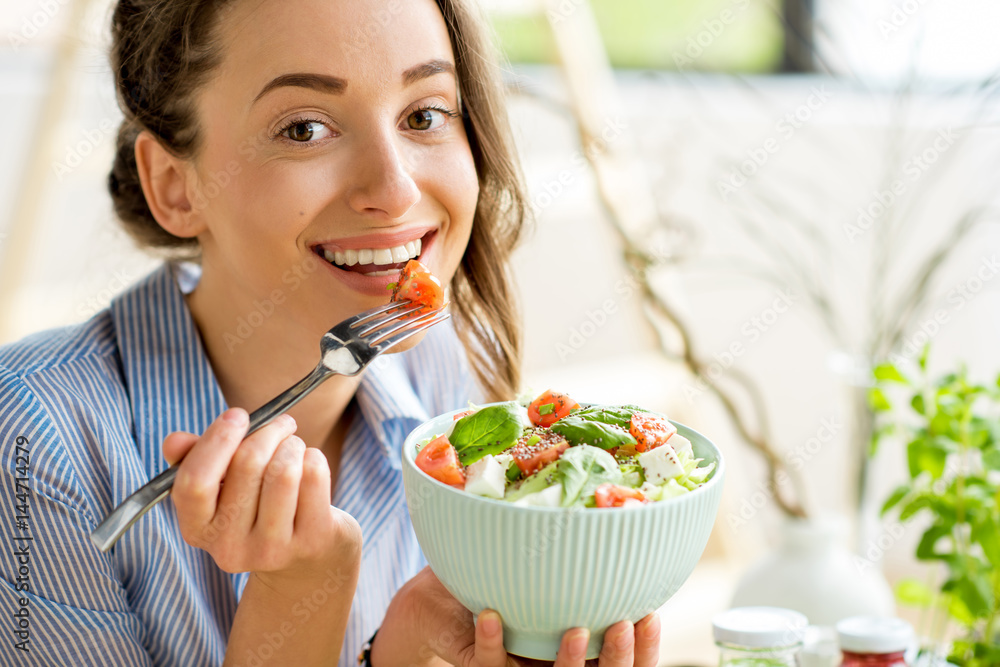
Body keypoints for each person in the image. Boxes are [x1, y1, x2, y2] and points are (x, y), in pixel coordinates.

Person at [0, 0, 661, 665]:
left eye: (425, 115)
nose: (395, 189)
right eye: (305, 128)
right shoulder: (35, 448)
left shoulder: (444, 373)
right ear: (175, 186)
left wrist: (401, 649)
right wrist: (298, 591)